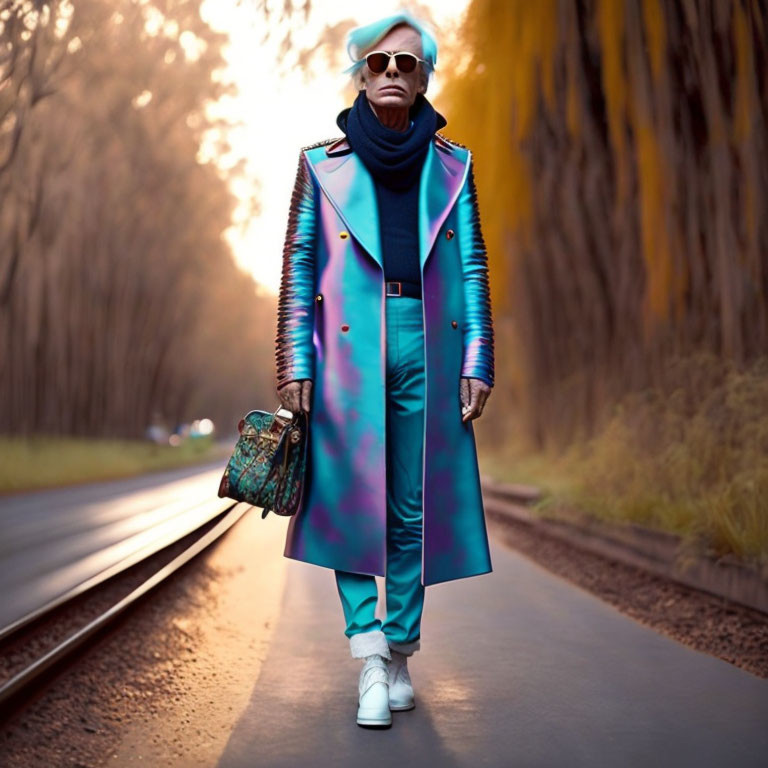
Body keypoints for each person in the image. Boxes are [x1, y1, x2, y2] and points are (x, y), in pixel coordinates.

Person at [274, 10, 495, 728]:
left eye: (407, 63)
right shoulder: (319, 162)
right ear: (361, 76)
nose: (393, 73)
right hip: (346, 351)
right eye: (379, 63)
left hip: (426, 340)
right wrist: (294, 358)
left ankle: (399, 649)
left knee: (410, 507)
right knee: (344, 502)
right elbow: (300, 264)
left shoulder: (455, 165)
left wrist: (478, 358)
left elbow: (472, 266)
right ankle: (369, 655)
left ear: (427, 75)